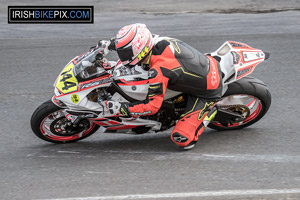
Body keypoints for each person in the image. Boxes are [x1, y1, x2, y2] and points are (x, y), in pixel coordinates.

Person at [102, 23, 223, 150]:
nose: (122, 56)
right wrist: (106, 46)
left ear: (139, 50)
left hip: (208, 90)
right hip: (204, 65)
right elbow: (125, 43)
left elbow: (152, 107)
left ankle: (211, 111)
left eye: (125, 52)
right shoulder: (153, 41)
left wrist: (123, 109)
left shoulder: (158, 70)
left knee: (182, 139)